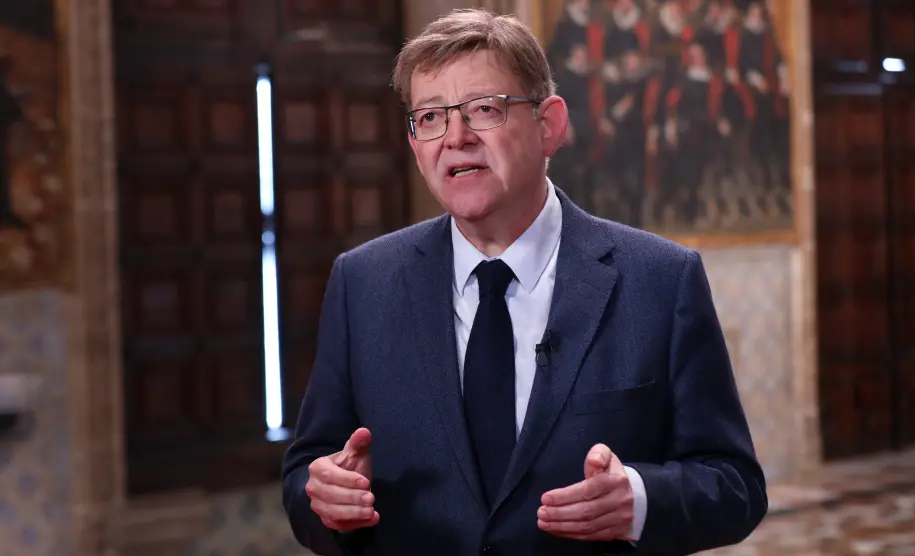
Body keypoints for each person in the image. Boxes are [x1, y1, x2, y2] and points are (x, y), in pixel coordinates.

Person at [282, 8, 767, 556]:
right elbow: (305, 476)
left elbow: (735, 486)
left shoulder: (660, 280)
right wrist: (328, 501)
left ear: (549, 125)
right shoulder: (363, 282)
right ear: (415, 142)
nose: (456, 137)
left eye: (484, 109)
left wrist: (638, 500)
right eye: (431, 117)